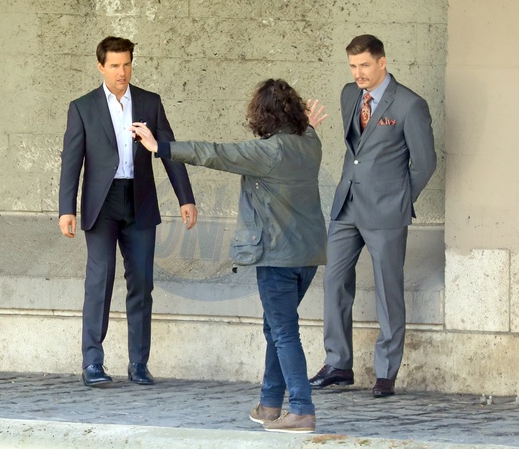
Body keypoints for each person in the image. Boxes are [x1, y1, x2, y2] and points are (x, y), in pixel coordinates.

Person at [132, 79, 327, 433]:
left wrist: (160, 147)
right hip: (308, 256)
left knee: (284, 332)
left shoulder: (268, 152)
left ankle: (301, 409)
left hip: (277, 257)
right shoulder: (310, 144)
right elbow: (306, 134)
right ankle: (270, 404)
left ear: (262, 115)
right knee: (276, 327)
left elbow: (215, 153)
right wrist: (309, 125)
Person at [58, 36, 198, 388]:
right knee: (99, 281)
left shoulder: (150, 102)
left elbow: (167, 150)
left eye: (127, 64)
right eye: (115, 65)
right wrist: (66, 209)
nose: (122, 72)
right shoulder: (83, 107)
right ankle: (92, 363)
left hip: (140, 200)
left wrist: (186, 197)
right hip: (101, 204)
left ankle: (139, 363)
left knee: (141, 283)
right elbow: (71, 161)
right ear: (101, 67)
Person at [308, 34, 437, 398]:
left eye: (364, 65)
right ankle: (338, 364)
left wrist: (398, 201)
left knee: (387, 290)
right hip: (347, 205)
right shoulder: (350, 95)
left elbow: (425, 163)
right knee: (334, 281)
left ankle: (385, 372)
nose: (358, 73)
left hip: (386, 212)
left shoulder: (410, 104)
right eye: (352, 66)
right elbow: (357, 151)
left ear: (382, 62)